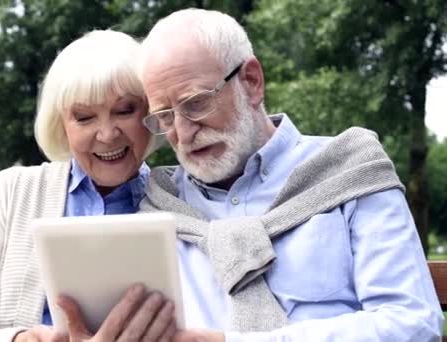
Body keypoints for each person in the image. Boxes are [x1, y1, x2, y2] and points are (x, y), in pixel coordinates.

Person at [135, 8, 443, 341]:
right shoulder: (159, 206)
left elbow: (412, 325)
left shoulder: (350, 170)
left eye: (195, 104)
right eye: (165, 117)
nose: (182, 133)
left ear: (251, 82)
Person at [0, 29, 175, 342]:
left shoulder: (181, 195)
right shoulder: (9, 192)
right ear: (61, 124)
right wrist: (19, 340)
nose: (107, 134)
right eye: (84, 117)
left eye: (124, 110)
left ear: (151, 112)